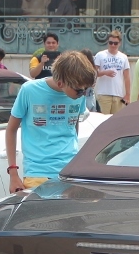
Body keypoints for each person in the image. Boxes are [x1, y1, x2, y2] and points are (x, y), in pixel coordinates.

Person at [5, 51, 96, 193]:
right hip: (38, 174)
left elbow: (72, 125)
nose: (83, 94)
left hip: (70, 173)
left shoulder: (79, 94)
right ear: (61, 83)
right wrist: (13, 173)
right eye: (79, 91)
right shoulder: (29, 91)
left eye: (86, 90)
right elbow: (11, 129)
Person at [93, 30, 130, 114]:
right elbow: (93, 73)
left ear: (119, 43)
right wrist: (104, 73)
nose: (113, 45)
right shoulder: (100, 55)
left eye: (115, 43)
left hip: (118, 95)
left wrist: (128, 94)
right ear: (107, 42)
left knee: (115, 122)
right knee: (103, 121)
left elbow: (127, 77)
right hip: (104, 94)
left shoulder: (123, 57)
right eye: (111, 42)